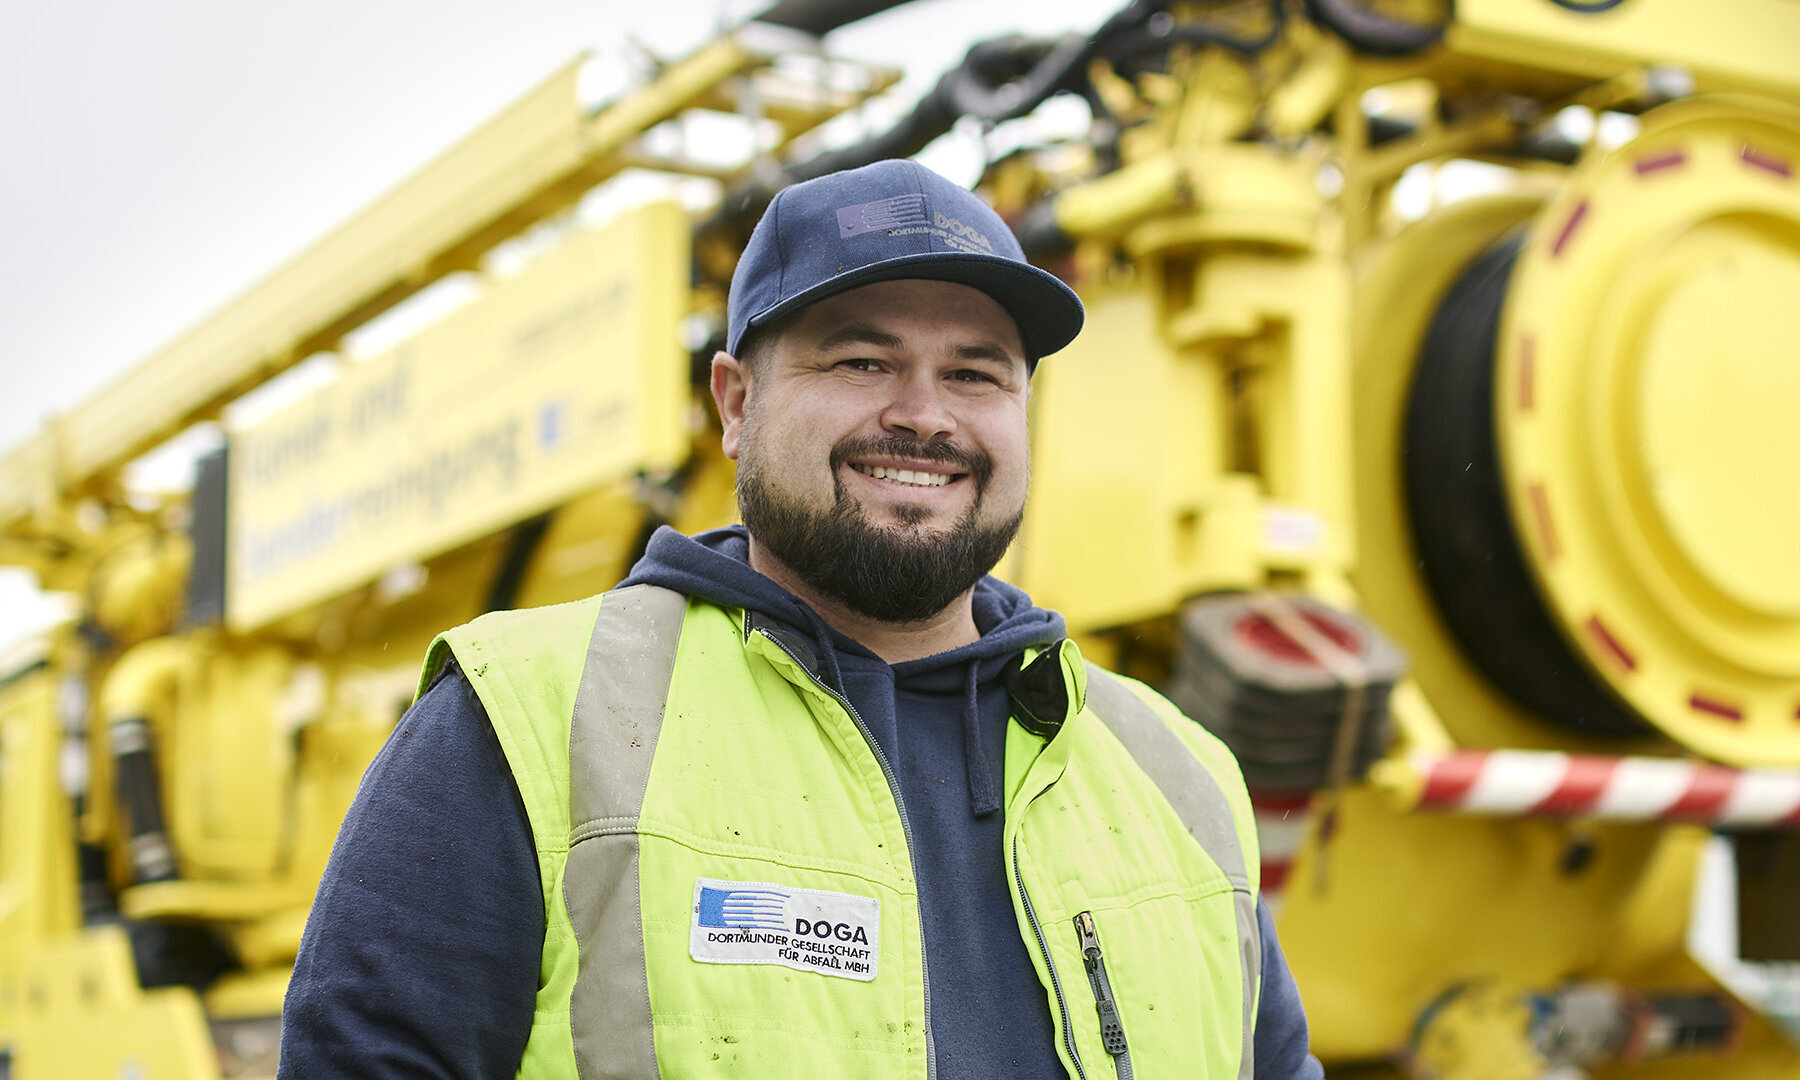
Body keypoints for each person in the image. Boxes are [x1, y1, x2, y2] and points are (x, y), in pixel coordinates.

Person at [279, 159, 1324, 1079]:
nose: (924, 414)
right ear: (736, 403)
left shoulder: (1177, 776)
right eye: (862, 361)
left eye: (975, 373)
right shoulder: (529, 724)